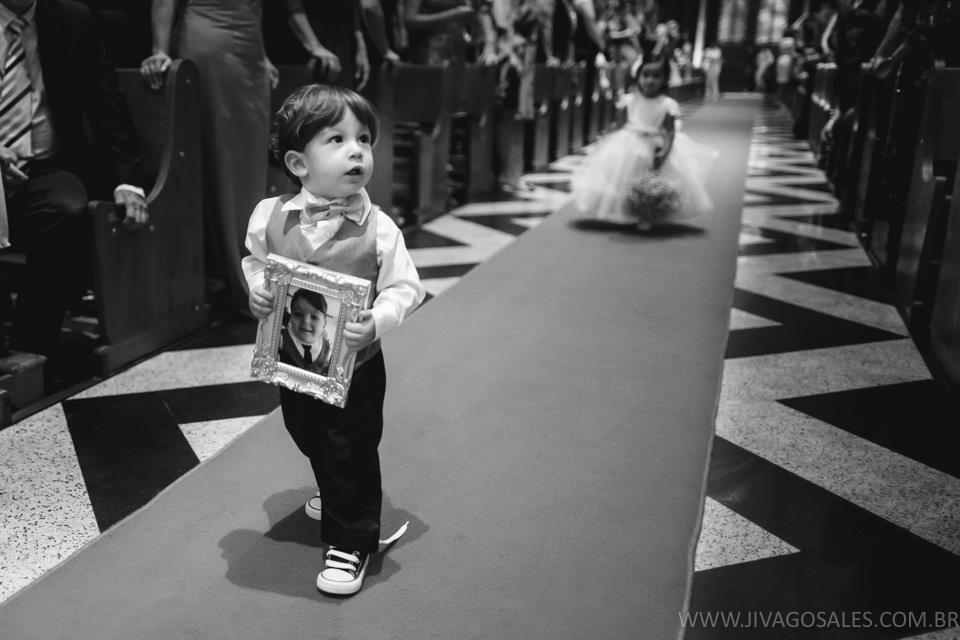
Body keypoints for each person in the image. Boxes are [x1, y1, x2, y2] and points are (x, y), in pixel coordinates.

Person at [243, 84, 425, 596]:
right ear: (298, 163)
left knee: (350, 448)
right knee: (305, 431)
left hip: (355, 367)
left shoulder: (379, 229)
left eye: (364, 139)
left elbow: (407, 287)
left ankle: (351, 540)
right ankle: (333, 487)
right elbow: (255, 261)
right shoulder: (270, 215)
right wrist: (259, 290)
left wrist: (378, 320)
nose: (357, 151)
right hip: (296, 363)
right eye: (338, 140)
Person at [0, 0, 148, 365]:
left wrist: (127, 181)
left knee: (67, 212)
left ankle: (32, 349)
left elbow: (107, 103)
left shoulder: (71, 19)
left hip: (43, 169)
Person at [140, 0, 276, 312]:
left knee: (248, 163)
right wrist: (159, 49)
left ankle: (249, 267)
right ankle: (231, 273)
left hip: (249, 47)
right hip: (208, 34)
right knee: (222, 156)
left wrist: (263, 55)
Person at [570, 56, 715, 230]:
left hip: (655, 144)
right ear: (638, 77)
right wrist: (607, 142)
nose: (650, 80)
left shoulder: (667, 104)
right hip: (629, 143)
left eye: (656, 76)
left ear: (664, 80)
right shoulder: (629, 100)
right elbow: (619, 125)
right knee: (623, 180)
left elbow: (670, 132)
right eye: (645, 75)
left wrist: (665, 151)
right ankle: (624, 211)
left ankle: (647, 214)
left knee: (652, 182)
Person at [278, 288, 332, 376]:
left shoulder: (326, 347)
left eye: (314, 317)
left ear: (324, 324)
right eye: (298, 314)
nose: (305, 321)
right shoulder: (280, 338)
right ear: (290, 317)